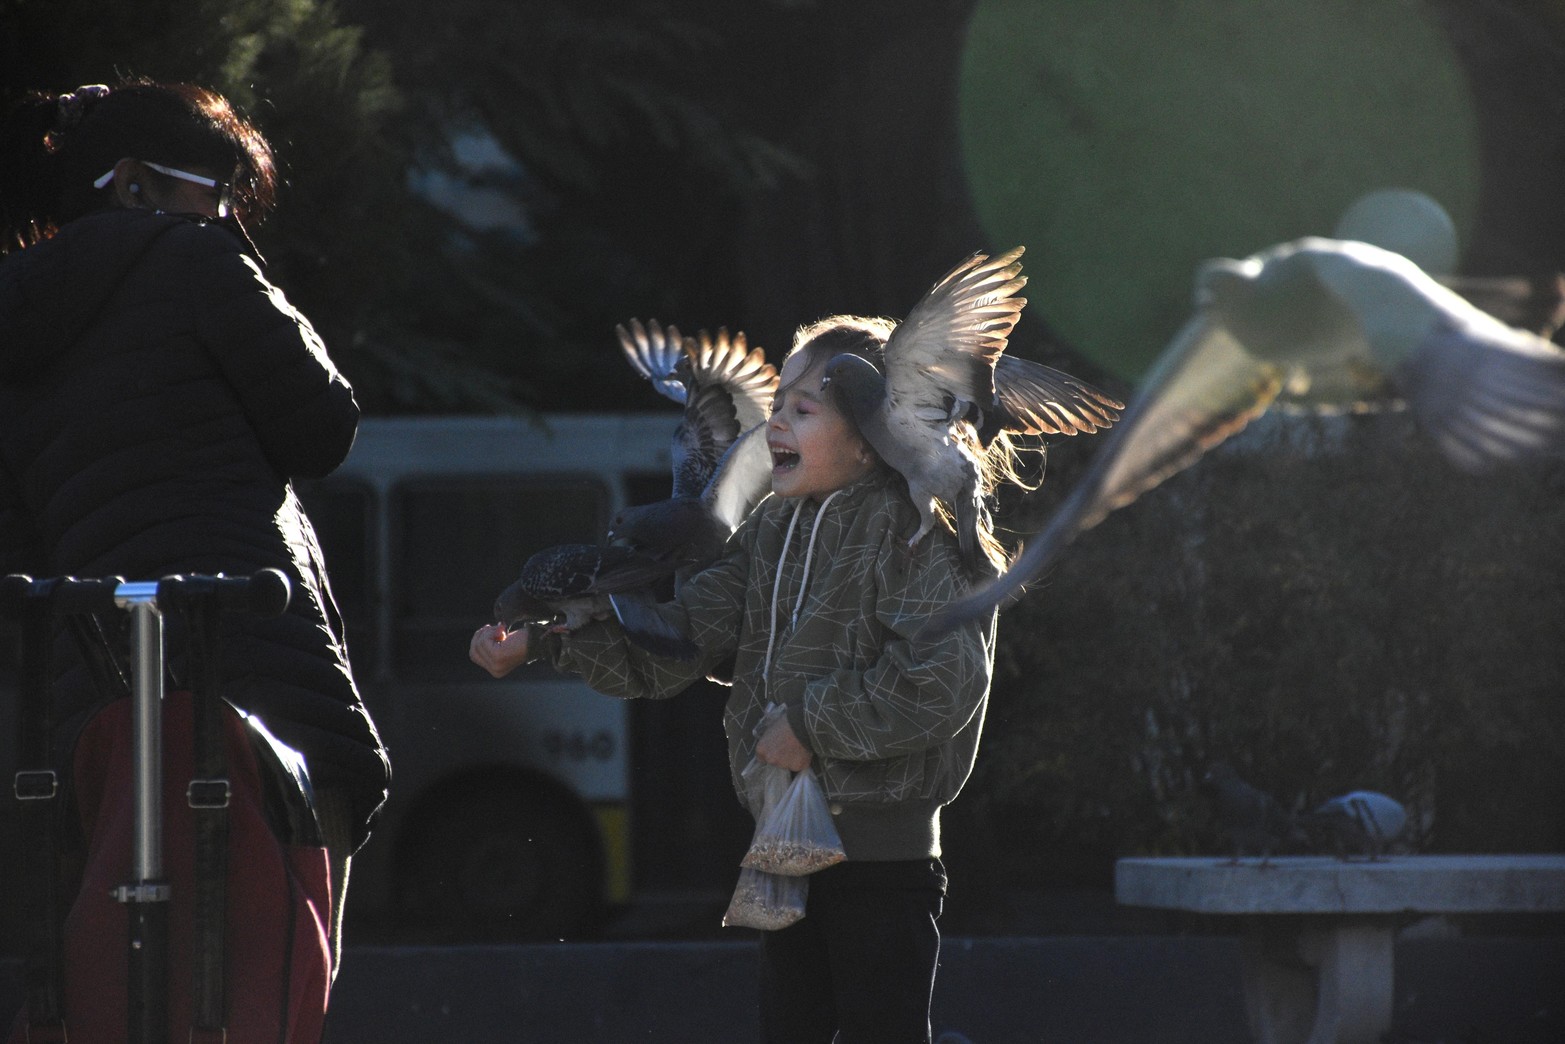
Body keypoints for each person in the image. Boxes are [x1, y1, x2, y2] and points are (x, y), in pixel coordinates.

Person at [471, 315, 1012, 1043]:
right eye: (776, 402)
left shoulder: (915, 534)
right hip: (783, 848)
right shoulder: (766, 530)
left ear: (867, 436)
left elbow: (943, 683)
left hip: (883, 863)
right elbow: (675, 646)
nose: (774, 423)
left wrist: (809, 726)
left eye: (802, 409)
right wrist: (543, 644)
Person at [0, 80, 390, 977]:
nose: (224, 217)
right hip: (254, 672)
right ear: (134, 182)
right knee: (274, 979)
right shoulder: (197, 262)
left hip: (96, 708)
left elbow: (19, 544)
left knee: (136, 983)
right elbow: (323, 428)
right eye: (216, 193)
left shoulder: (12, 317)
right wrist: (232, 256)